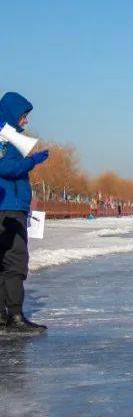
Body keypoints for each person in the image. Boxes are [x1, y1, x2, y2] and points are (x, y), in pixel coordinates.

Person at [0, 92, 50, 333]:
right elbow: (5, 167)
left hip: (10, 206)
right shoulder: (3, 136)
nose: (26, 121)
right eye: (24, 115)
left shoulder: (8, 135)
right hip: (8, 209)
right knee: (15, 261)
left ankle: (3, 316)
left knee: (4, 261)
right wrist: (33, 161)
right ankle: (15, 317)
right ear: (13, 112)